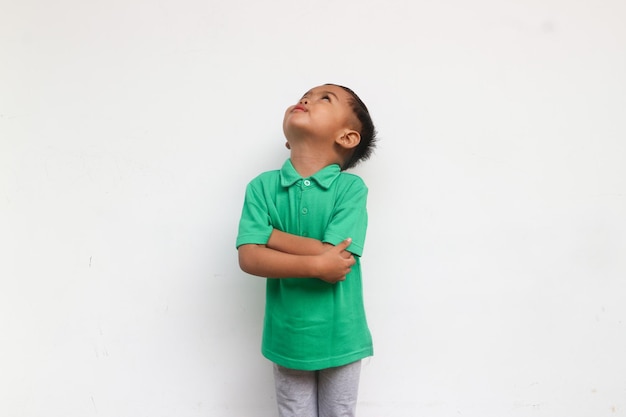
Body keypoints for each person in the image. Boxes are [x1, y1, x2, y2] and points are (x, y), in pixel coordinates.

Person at [236, 83, 377, 417]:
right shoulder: (262, 187)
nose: (305, 100)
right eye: (304, 97)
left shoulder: (350, 188)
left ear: (347, 137)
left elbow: (338, 259)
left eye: (324, 98)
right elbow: (249, 257)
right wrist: (316, 264)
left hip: (342, 336)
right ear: (288, 138)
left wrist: (270, 236)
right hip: (287, 338)